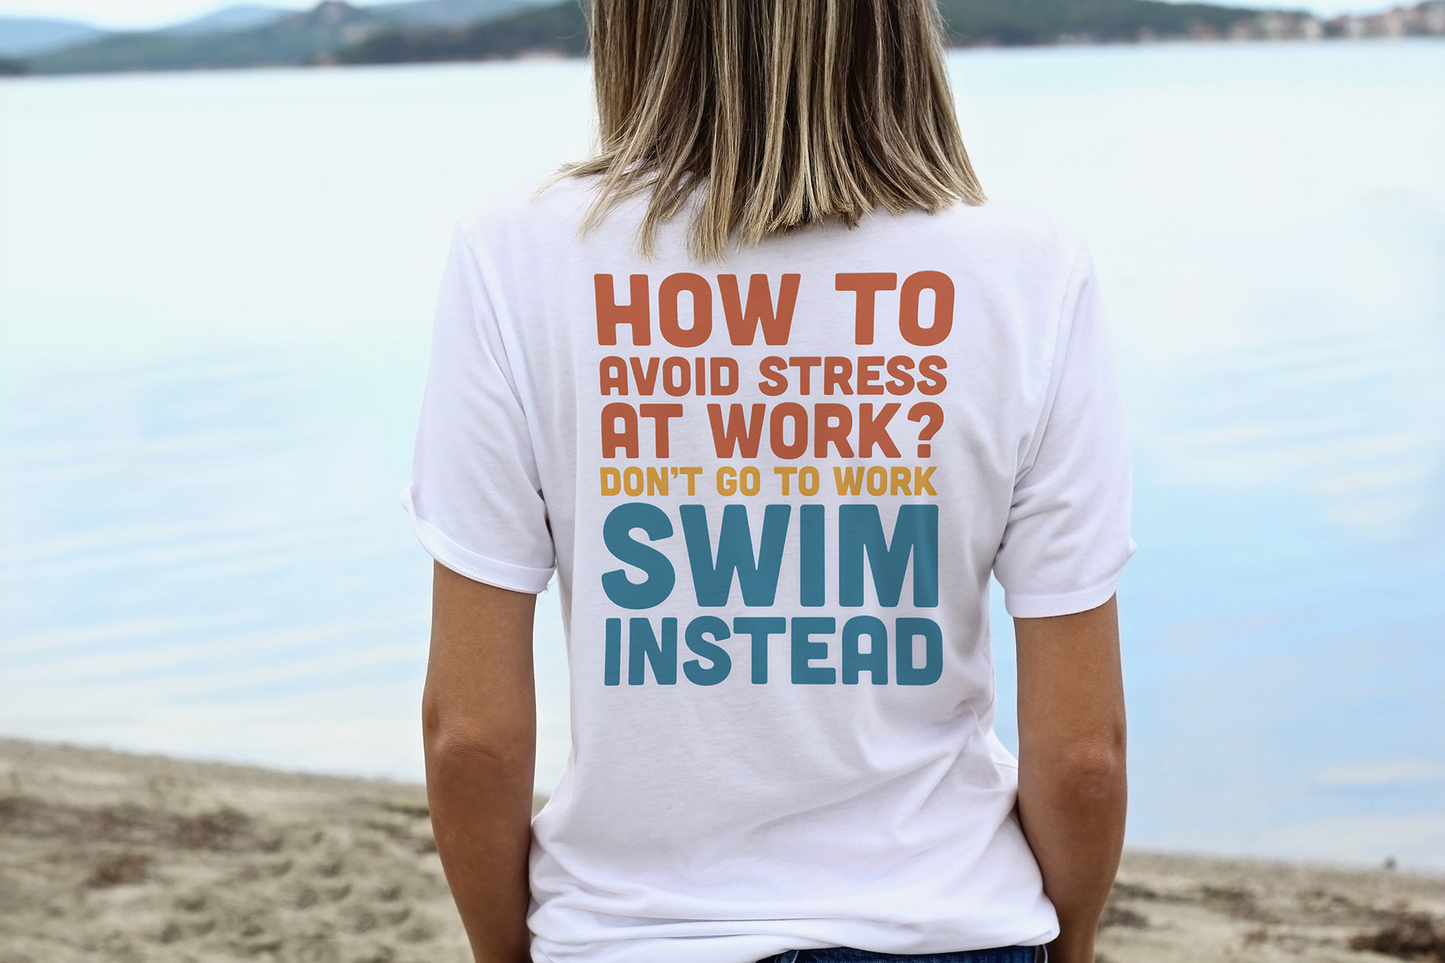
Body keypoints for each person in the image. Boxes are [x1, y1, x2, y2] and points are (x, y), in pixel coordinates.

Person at [404, 2, 1133, 962]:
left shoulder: (515, 258)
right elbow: (1083, 753)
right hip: (944, 923)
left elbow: (471, 738)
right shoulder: (1029, 271)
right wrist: (1067, 941)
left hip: (632, 933)